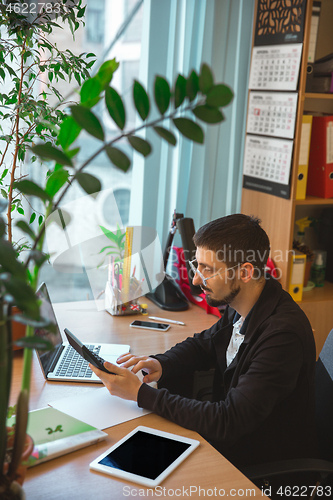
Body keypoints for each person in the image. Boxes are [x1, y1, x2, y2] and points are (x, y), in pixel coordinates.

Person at [90, 214, 317, 481]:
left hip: (254, 469)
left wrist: (142, 394)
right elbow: (205, 344)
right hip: (229, 445)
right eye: (197, 265)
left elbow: (229, 420)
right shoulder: (245, 305)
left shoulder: (282, 336)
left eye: (208, 269)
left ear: (244, 272)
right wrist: (161, 363)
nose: (196, 280)